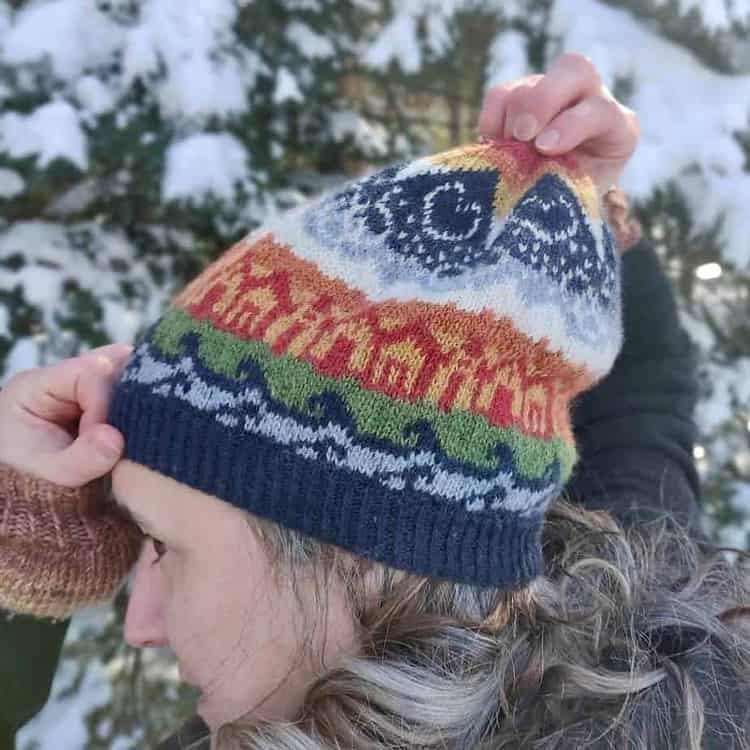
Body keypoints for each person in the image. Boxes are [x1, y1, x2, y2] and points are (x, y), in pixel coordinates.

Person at [2, 52, 749, 750]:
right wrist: (580, 203)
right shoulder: (623, 650)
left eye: (164, 545)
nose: (142, 627)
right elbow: (642, 420)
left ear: (358, 555)